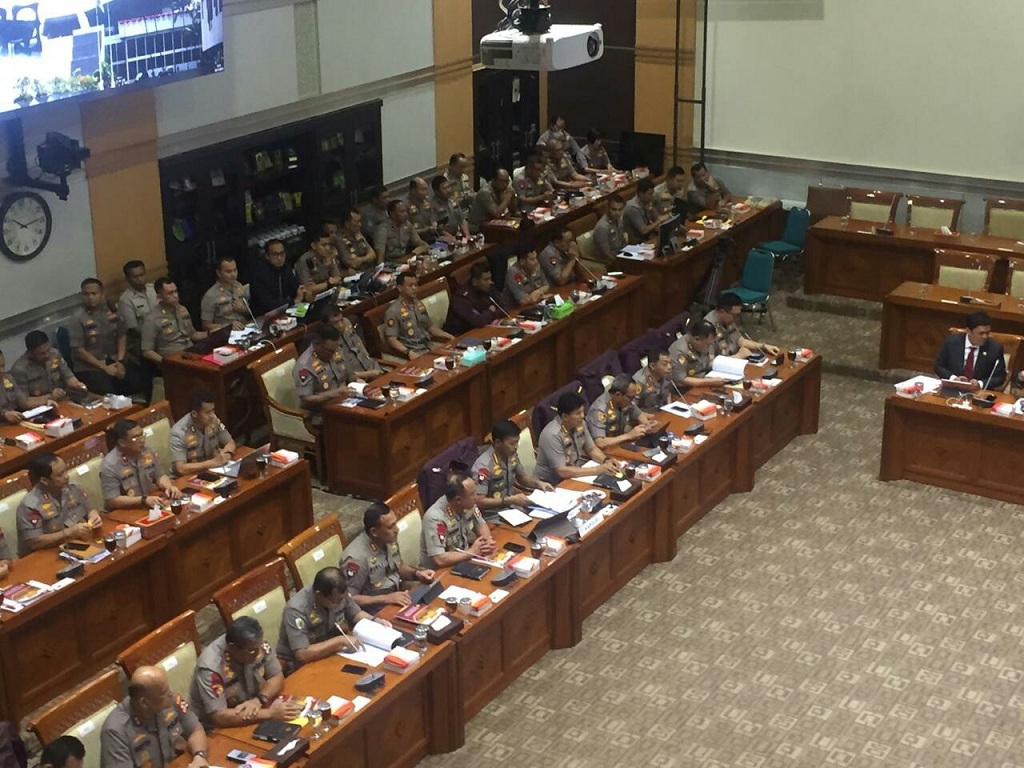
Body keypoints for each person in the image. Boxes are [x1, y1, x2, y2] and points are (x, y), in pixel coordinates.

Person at [190, 615, 301, 728]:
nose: (258, 653)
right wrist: (270, 713)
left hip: (252, 709)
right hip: (216, 728)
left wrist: (259, 700)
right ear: (232, 648)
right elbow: (220, 716)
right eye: (252, 651)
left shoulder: (256, 643)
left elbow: (276, 676)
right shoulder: (210, 668)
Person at [276, 566, 382, 674]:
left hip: (332, 654)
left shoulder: (338, 592)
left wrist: (375, 621)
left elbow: (355, 613)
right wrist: (339, 641)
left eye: (341, 599)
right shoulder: (296, 609)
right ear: (319, 595)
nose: (339, 604)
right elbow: (302, 654)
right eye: (334, 601)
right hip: (300, 666)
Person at [100, 665, 209, 768]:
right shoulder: (115, 732)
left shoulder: (172, 701)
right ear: (144, 703)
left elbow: (195, 730)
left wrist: (199, 756)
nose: (171, 694)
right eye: (164, 692)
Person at [340, 502, 436, 608]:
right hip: (374, 607)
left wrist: (417, 573)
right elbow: (349, 598)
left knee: (434, 593)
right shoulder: (355, 558)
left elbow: (399, 566)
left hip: (397, 591)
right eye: (390, 527)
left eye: (395, 523)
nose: (397, 529)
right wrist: (386, 598)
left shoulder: (388, 539)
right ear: (374, 532)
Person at [17, 453, 102, 556]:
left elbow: (90, 509)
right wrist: (69, 533)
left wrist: (94, 517)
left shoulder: (72, 487)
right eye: (59, 475)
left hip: (77, 544)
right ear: (44, 480)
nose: (66, 476)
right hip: (45, 555)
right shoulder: (30, 505)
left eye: (65, 470)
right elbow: (34, 542)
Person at [536, 392, 620, 484]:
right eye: (578, 413)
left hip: (575, 474)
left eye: (582, 411)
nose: (582, 416)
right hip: (552, 483)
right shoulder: (552, 435)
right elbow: (561, 471)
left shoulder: (580, 423)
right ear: (565, 417)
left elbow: (591, 449)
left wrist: (606, 461)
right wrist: (597, 469)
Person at [101, 418, 182, 511]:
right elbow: (113, 500)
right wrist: (143, 500)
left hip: (148, 503)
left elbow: (159, 476)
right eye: (135, 438)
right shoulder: (110, 465)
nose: (142, 440)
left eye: (142, 435)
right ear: (122, 442)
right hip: (124, 511)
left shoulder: (147, 450)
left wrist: (169, 487)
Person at [471, 419, 553, 509]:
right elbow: (479, 501)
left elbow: (522, 477)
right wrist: (509, 500)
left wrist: (539, 484)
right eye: (512, 443)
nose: (516, 447)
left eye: (517, 442)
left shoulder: (511, 455)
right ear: (498, 442)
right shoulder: (483, 467)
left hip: (513, 506)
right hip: (493, 514)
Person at [420, 472, 497, 567]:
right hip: (439, 572)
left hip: (463, 560)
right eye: (473, 494)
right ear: (458, 500)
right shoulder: (435, 518)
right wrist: (472, 552)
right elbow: (439, 559)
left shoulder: (468, 503)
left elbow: (481, 524)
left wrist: (487, 542)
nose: (476, 497)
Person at [68, 278, 129, 395]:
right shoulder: (77, 318)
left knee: (136, 381)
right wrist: (104, 368)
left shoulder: (112, 310)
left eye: (94, 293)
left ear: (102, 294)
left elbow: (122, 335)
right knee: (109, 391)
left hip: (114, 360)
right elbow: (78, 351)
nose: (90, 297)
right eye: (86, 294)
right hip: (89, 367)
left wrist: (120, 361)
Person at [293, 324, 354, 425]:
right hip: (322, 415)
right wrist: (334, 393)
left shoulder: (335, 349)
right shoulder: (304, 366)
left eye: (335, 350)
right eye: (330, 351)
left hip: (344, 403)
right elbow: (305, 399)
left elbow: (347, 375)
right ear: (316, 344)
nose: (334, 354)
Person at [384, 273, 453, 358]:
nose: (414, 288)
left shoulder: (418, 303)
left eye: (416, 285)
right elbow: (392, 339)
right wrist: (408, 352)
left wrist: (446, 335)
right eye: (410, 285)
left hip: (430, 345)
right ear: (400, 288)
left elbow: (429, 326)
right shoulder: (393, 311)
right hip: (414, 351)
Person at [169, 390, 236, 477]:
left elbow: (230, 442)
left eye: (213, 410)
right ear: (194, 413)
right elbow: (181, 469)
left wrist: (226, 454)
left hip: (213, 471)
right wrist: (212, 463)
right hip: (188, 477)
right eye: (208, 412)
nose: (212, 415)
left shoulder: (214, 420)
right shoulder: (178, 433)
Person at [141, 279, 206, 368]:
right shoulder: (152, 319)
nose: (175, 296)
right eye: (170, 293)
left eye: (176, 291)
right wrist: (164, 362)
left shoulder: (182, 309)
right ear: (159, 297)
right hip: (172, 360)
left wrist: (210, 333)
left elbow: (193, 335)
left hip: (191, 354)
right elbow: (147, 351)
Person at [933, 311, 1006, 390]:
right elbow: (938, 366)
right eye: (981, 333)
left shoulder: (995, 348)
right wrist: (953, 378)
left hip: (979, 393)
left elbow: (1000, 377)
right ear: (968, 331)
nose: (985, 337)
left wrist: (980, 384)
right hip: (953, 389)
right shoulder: (952, 342)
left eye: (987, 333)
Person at [11, 330, 87, 401]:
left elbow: (68, 376)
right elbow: (24, 401)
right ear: (30, 353)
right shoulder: (20, 370)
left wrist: (77, 384)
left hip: (63, 399)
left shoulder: (55, 354)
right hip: (40, 406)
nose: (47, 355)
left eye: (48, 350)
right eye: (42, 353)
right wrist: (50, 397)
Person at [586, 375, 657, 449]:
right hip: (606, 450)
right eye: (630, 397)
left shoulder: (624, 400)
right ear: (618, 394)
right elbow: (600, 442)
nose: (632, 400)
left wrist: (646, 425)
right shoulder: (599, 410)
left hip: (620, 444)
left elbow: (638, 414)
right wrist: (628, 436)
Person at [705, 291, 780, 359]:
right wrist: (738, 356)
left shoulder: (728, 320)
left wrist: (763, 346)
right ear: (722, 312)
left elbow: (739, 340)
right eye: (735, 315)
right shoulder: (707, 329)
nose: (737, 318)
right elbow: (709, 363)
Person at [443, 261, 506, 335]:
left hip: (482, 329)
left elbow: (503, 307)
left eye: (490, 278)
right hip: (460, 337)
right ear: (475, 281)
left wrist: (487, 316)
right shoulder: (461, 297)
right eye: (486, 279)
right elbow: (478, 322)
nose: (490, 282)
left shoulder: (488, 287)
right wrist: (490, 311)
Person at [323, 305, 384, 380]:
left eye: (341, 320)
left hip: (371, 368)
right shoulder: (328, 343)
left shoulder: (347, 322)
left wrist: (373, 367)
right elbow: (342, 375)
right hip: (356, 380)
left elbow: (359, 345)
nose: (341, 325)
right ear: (327, 326)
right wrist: (368, 374)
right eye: (336, 323)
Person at [117, 260, 159, 366]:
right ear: (127, 279)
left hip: (163, 331)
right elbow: (134, 328)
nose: (140, 279)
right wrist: (156, 335)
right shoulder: (125, 300)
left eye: (141, 275)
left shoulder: (154, 289)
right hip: (143, 339)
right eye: (135, 277)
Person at [248, 239, 305, 316]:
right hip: (265, 316)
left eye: (282, 253)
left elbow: (296, 289)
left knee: (310, 314)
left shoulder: (286, 268)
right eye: (275, 254)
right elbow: (267, 304)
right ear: (267, 256)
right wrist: (294, 301)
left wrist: (303, 293)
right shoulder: (258, 275)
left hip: (287, 309)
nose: (279, 257)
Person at [669, 319, 730, 388]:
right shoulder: (680, 351)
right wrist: (710, 382)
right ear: (697, 339)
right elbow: (681, 380)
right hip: (685, 390)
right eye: (708, 344)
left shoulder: (706, 342)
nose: (710, 347)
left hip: (705, 381)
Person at [200, 256, 250, 332]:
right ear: (218, 273)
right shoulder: (210, 295)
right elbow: (206, 326)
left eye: (235, 270)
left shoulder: (239, 286)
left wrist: (243, 310)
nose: (233, 274)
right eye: (228, 271)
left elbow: (249, 313)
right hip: (226, 333)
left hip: (245, 328)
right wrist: (228, 326)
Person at [295, 225, 343, 296]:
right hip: (312, 299)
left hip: (329, 293)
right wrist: (328, 283)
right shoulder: (304, 261)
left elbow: (338, 279)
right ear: (313, 245)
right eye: (324, 245)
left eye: (329, 244)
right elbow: (307, 289)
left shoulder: (329, 255)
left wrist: (332, 261)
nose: (327, 248)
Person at [622, 178, 669, 244]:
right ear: (641, 193)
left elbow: (657, 219)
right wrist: (659, 221)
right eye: (649, 194)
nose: (652, 196)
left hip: (647, 237)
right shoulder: (632, 207)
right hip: (635, 243)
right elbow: (643, 230)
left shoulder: (646, 202)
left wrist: (653, 211)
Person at [431, 175, 471, 240]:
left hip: (457, 234)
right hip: (444, 238)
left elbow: (462, 220)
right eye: (445, 188)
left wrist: (467, 236)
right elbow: (438, 230)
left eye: (449, 187)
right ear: (436, 191)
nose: (449, 190)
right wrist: (453, 239)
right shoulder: (433, 207)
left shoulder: (452, 200)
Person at [592, 194, 628, 263]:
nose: (617, 213)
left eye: (620, 210)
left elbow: (622, 242)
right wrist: (621, 263)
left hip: (621, 255)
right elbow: (606, 254)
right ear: (608, 208)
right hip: (609, 262)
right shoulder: (602, 227)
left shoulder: (618, 219)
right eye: (614, 209)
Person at [407, 177, 439, 242]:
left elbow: (433, 217)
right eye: (423, 190)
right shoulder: (405, 206)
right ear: (413, 190)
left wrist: (434, 223)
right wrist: (427, 229)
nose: (426, 193)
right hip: (416, 241)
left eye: (426, 189)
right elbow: (408, 231)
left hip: (432, 237)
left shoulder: (427, 200)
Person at [0, 350, 27, 422]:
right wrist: (4, 414)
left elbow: (23, 402)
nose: (1, 370)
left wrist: (46, 401)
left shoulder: (8, 378)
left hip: (14, 423)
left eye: (2, 366)